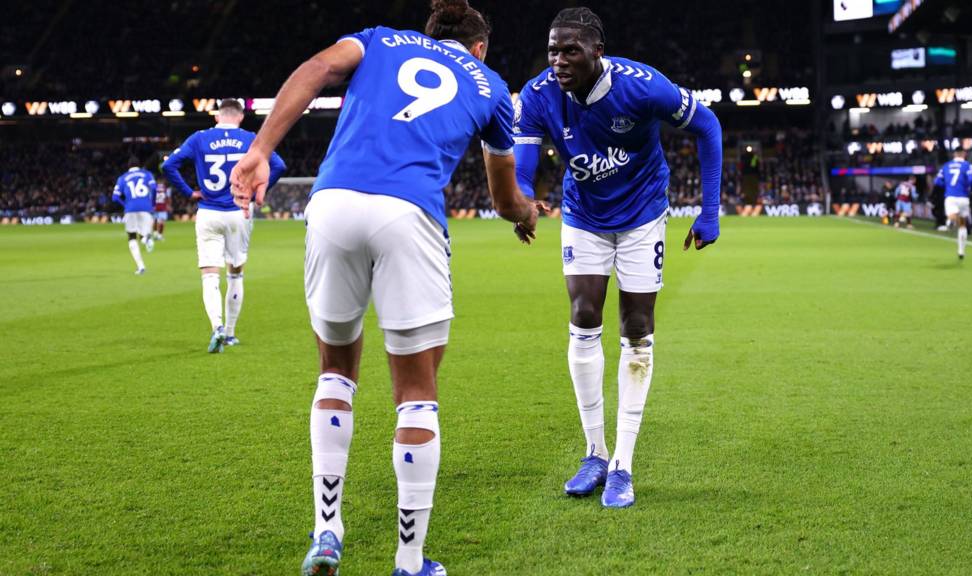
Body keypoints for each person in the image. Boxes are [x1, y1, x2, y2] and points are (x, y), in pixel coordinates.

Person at [228, 1, 543, 575]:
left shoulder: (378, 39)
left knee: (334, 372)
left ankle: (327, 530)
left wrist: (261, 149)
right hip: (409, 214)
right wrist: (525, 212)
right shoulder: (492, 84)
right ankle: (409, 559)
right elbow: (503, 196)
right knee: (416, 393)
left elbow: (317, 68)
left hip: (333, 202)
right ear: (478, 47)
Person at [512, 6, 722, 509]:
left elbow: (709, 126)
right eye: (552, 51)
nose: (558, 61)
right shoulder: (539, 95)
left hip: (643, 215)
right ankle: (594, 452)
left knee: (636, 326)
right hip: (583, 214)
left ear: (597, 53)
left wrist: (709, 212)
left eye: (570, 51)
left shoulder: (643, 86)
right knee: (583, 315)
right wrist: (523, 199)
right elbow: (520, 167)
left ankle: (623, 465)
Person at [161, 99, 287, 352]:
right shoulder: (251, 138)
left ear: (217, 116)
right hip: (238, 213)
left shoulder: (199, 138)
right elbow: (279, 165)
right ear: (240, 117)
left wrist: (189, 192)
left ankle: (216, 327)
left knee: (209, 276)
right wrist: (254, 192)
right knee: (236, 272)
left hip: (208, 212)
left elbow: (168, 165)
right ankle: (230, 333)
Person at [112, 163, 157, 275]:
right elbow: (154, 188)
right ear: (139, 165)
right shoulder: (147, 174)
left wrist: (125, 204)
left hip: (130, 209)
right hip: (146, 208)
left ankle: (141, 266)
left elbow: (115, 197)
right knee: (143, 233)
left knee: (132, 236)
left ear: (128, 165)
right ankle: (146, 239)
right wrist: (153, 203)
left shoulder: (122, 177)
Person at [933, 149, 972, 259]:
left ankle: (950, 222)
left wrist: (948, 186)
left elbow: (937, 181)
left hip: (951, 196)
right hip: (963, 197)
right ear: (964, 154)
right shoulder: (967, 165)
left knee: (952, 216)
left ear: (954, 154)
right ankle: (961, 251)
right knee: (962, 224)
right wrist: (969, 189)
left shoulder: (946, 166)